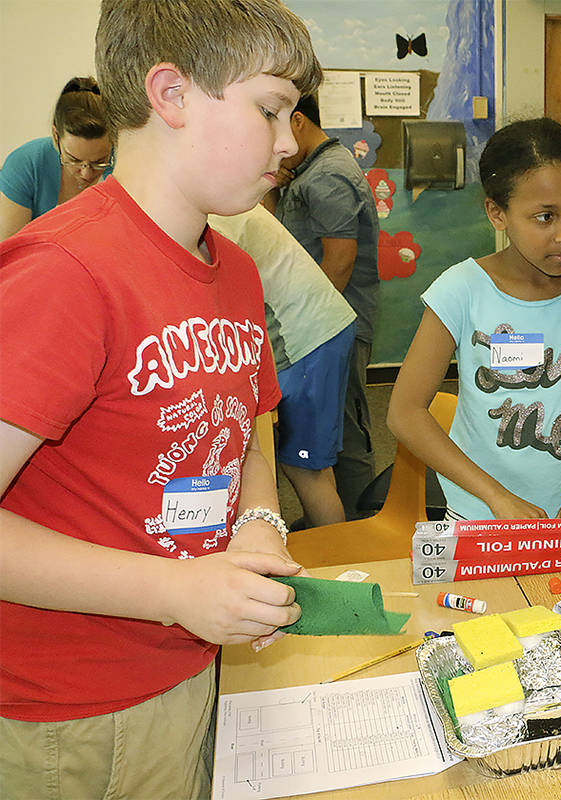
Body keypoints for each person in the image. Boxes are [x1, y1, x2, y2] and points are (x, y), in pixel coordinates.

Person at [0, 1, 322, 796]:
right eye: (270, 108)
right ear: (171, 94)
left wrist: (257, 521)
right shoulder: (65, 274)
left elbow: (251, 422)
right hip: (75, 713)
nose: (289, 141)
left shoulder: (236, 268)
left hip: (188, 663)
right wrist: (176, 589)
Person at [387, 118, 561, 521]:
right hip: (479, 510)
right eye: (545, 217)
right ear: (497, 212)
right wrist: (496, 497)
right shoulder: (460, 291)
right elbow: (405, 413)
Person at [209, 205, 358, 527]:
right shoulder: (222, 198)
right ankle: (326, 546)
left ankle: (333, 564)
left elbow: (214, 296)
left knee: (304, 467)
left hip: (305, 337)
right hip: (318, 327)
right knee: (312, 464)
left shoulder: (210, 214)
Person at [268, 94, 381, 518]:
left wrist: (314, 330)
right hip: (322, 327)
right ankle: (339, 518)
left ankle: (357, 524)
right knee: (331, 427)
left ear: (298, 121)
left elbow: (340, 257)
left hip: (333, 327)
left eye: (277, 127)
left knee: (345, 431)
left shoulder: (328, 176)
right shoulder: (310, 172)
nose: (275, 144)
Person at [0, 76, 114, 240]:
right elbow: (8, 254)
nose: (86, 174)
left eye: (99, 162)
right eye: (74, 160)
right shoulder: (26, 164)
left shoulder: (122, 164)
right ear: (55, 135)